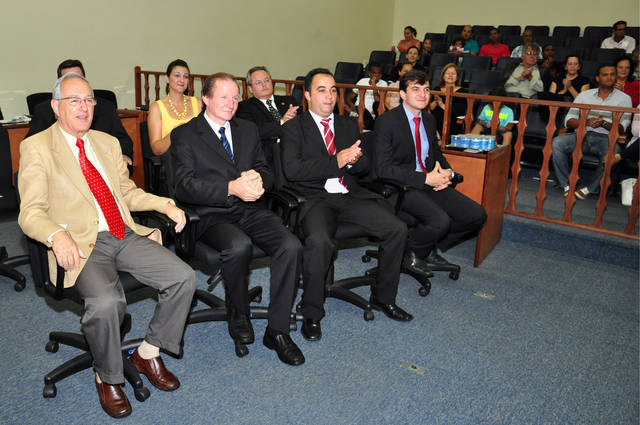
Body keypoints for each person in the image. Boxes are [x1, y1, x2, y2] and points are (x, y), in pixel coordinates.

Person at [18, 72, 196, 418]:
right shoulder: (37, 147)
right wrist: (56, 235)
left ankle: (147, 353)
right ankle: (107, 375)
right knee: (107, 302)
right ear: (55, 107)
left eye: (89, 100)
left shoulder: (107, 142)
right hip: (81, 243)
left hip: (121, 232)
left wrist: (165, 204)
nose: (84, 107)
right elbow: (30, 213)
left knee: (183, 277)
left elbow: (127, 193)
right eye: (74, 100)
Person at [170, 73, 305, 366]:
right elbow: (183, 186)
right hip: (210, 214)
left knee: (291, 245)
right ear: (206, 98)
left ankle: (278, 330)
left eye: (235, 97)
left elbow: (266, 170)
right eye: (223, 97)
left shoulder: (247, 129)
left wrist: (259, 179)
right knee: (239, 246)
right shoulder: (185, 134)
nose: (231, 103)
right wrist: (230, 188)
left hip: (250, 209)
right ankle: (238, 313)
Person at [281, 68, 415, 342]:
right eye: (321, 90)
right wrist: (337, 161)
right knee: (320, 241)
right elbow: (293, 170)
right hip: (315, 199)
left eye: (333, 90)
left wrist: (353, 162)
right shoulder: (294, 128)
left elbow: (365, 166)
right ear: (307, 95)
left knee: (397, 229)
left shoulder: (347, 125)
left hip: (348, 195)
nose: (329, 96)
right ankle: (311, 312)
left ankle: (383, 298)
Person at [374, 70, 487, 273]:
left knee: (476, 215)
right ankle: (411, 253)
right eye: (416, 89)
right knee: (440, 221)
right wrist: (425, 178)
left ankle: (420, 248)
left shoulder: (428, 120)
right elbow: (383, 168)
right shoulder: (387, 121)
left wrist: (448, 172)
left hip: (429, 182)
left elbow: (436, 154)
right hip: (400, 186)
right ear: (402, 94)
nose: (422, 94)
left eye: (426, 90)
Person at [27, 59, 134, 164]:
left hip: (104, 163)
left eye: (79, 78)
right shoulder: (43, 110)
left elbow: (122, 140)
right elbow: (33, 148)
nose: (84, 107)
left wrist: (123, 156)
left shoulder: (106, 107)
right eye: (69, 79)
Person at [551, 64, 632, 199]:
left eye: (612, 74)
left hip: (606, 138)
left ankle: (590, 189)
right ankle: (566, 184)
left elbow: (622, 128)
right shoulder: (584, 95)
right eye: (605, 75)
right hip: (581, 134)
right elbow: (569, 120)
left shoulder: (625, 99)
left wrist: (603, 123)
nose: (609, 77)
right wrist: (586, 122)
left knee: (614, 153)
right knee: (557, 142)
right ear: (598, 78)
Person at [236, 66, 299, 163]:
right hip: (270, 156)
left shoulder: (289, 100)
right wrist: (282, 122)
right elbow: (255, 131)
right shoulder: (244, 107)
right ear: (250, 88)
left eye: (266, 80)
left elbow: (302, 124)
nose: (264, 85)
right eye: (258, 82)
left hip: (296, 150)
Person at [147, 59, 202, 155]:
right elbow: (156, 149)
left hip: (198, 156)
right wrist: (174, 133)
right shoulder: (156, 108)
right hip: (172, 159)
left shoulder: (198, 103)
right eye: (177, 75)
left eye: (185, 77)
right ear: (167, 79)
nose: (182, 80)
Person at [429, 63, 467, 135]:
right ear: (443, 76)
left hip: (452, 123)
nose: (450, 75)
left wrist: (442, 105)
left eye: (453, 73)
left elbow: (459, 112)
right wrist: (436, 102)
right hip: (434, 122)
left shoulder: (462, 92)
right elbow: (429, 108)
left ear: (457, 77)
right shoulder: (437, 89)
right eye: (448, 73)